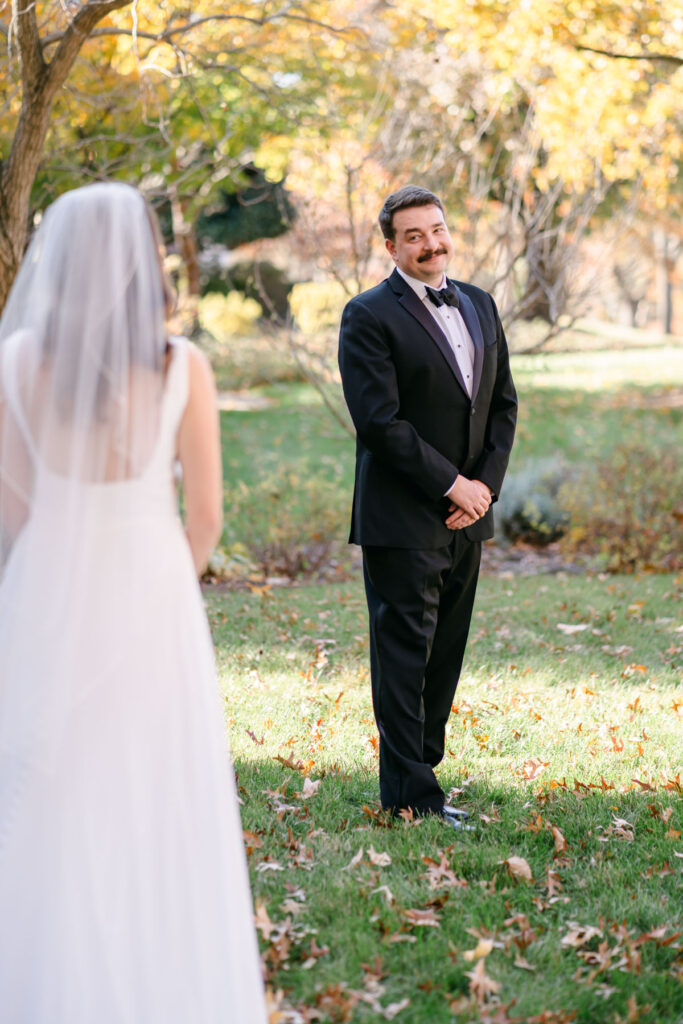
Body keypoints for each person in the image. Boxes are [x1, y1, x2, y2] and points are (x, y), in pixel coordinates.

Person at [0, 183, 268, 1022]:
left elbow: (11, 511)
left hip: (43, 587)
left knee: (52, 792)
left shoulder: (15, 362)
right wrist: (157, 593)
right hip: (154, 595)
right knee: (154, 796)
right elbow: (208, 517)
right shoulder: (182, 364)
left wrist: (46, 583)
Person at [338, 185, 517, 825]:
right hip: (403, 516)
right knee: (404, 657)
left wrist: (484, 489)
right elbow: (380, 424)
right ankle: (411, 797)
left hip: (468, 518)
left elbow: (502, 406)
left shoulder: (480, 304)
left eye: (436, 229)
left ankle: (423, 774)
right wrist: (453, 486)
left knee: (445, 654)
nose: (430, 244)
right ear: (390, 246)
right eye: (413, 236)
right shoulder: (367, 315)